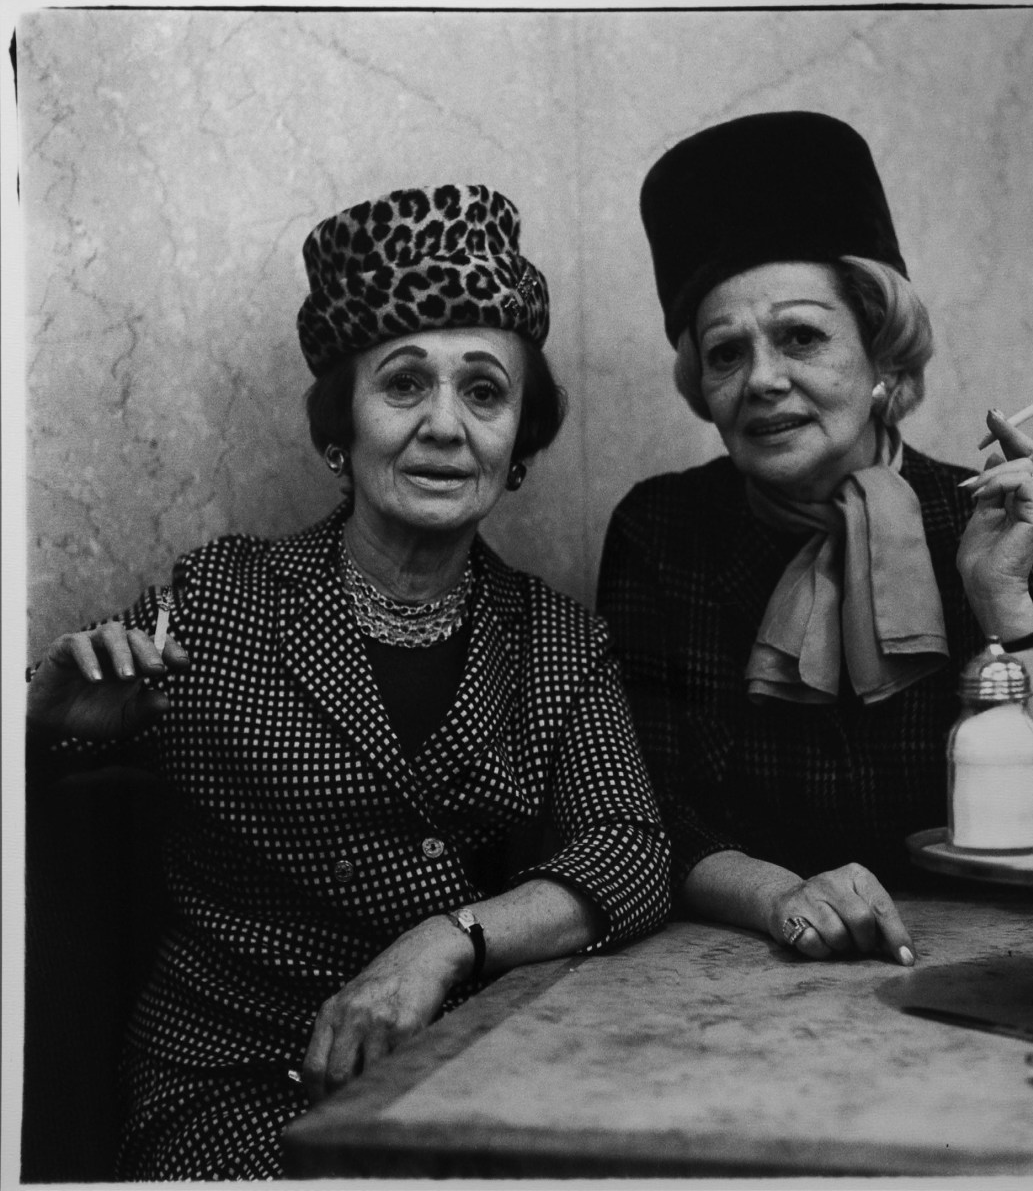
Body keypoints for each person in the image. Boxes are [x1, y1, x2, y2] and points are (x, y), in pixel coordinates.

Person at [27, 184, 671, 1180]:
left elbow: (629, 853)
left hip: (460, 1083)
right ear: (342, 425)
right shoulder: (218, 601)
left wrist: (443, 944)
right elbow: (50, 764)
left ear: (519, 446)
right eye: (405, 384)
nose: (446, 426)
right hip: (236, 1090)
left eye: (485, 392)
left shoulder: (557, 641)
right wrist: (41, 718)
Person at [597, 113, 1033, 967]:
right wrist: (779, 895)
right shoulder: (665, 532)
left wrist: (1001, 601)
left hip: (992, 957)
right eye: (726, 353)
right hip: (745, 962)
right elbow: (646, 803)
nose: (762, 380)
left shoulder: (1000, 522)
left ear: (880, 355)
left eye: (801, 336)